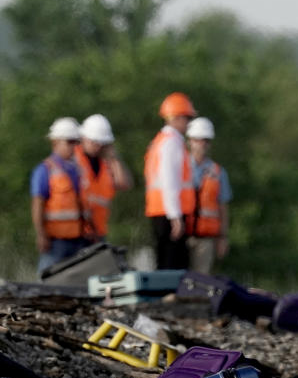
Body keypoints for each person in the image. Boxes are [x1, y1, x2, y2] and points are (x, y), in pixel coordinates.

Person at [144, 92, 196, 269]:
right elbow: (170, 181)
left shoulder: (160, 141)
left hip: (160, 210)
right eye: (186, 118)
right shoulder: (172, 142)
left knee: (165, 261)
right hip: (169, 212)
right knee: (173, 263)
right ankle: (170, 297)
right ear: (176, 117)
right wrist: (175, 217)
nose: (188, 123)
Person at [30, 117, 88, 274]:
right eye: (69, 142)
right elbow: (38, 204)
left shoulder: (78, 170)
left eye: (76, 142)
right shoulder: (45, 170)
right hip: (55, 242)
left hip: (79, 239)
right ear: (55, 142)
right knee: (48, 279)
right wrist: (41, 235)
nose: (74, 147)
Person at [75, 114, 133, 242]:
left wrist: (114, 157)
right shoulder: (74, 159)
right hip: (77, 233)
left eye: (101, 143)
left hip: (98, 231)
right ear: (83, 138)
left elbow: (124, 183)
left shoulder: (106, 164)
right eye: (94, 142)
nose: (97, 147)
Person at [185, 117, 232, 273]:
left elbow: (223, 207)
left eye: (206, 140)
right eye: (198, 140)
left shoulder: (218, 172)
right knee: (177, 280)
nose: (202, 144)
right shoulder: (180, 167)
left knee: (200, 281)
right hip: (181, 234)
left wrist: (223, 238)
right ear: (190, 141)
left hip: (206, 239)